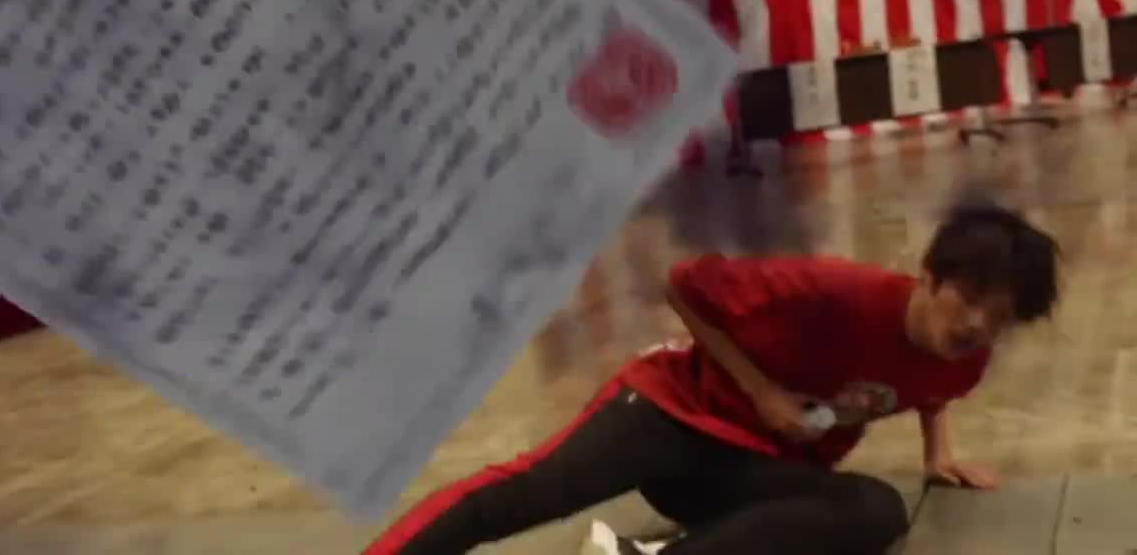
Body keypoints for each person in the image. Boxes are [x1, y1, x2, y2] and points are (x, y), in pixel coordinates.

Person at [363, 199, 1061, 554]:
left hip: (744, 470)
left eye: (998, 318)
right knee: (526, 494)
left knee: (876, 511)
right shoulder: (833, 290)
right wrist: (761, 391)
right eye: (969, 299)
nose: (976, 325)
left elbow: (932, 387)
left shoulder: (966, 358)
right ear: (930, 277)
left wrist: (938, 454)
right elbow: (683, 283)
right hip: (670, 413)